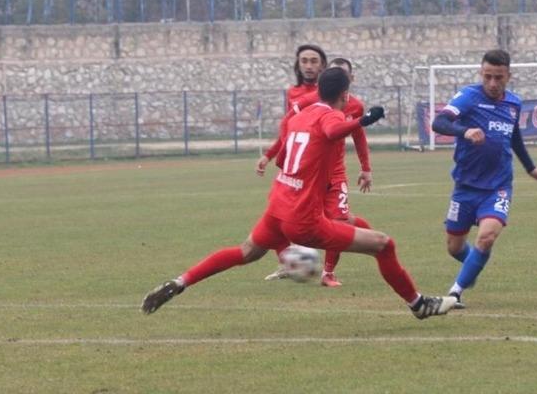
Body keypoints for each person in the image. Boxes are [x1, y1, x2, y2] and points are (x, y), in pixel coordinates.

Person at [142, 67, 456, 320]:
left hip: (277, 207)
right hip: (303, 219)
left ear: (318, 89)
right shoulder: (331, 115)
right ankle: (418, 304)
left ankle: (180, 282)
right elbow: (333, 131)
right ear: (345, 95)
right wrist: (363, 120)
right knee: (384, 245)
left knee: (245, 252)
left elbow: (283, 159)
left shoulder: (299, 116)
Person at [431, 49, 537, 309]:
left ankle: (455, 293)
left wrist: (531, 168)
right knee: (454, 247)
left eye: (499, 77)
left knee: (486, 237)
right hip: (465, 186)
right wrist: (464, 131)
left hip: (498, 186)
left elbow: (514, 137)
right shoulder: (468, 97)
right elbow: (439, 123)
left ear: (508, 75)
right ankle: (472, 267)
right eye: (488, 77)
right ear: (481, 73)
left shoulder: (514, 103)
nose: (493, 83)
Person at [258, 57, 373, 287]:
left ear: (350, 79)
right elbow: (287, 126)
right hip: (309, 174)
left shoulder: (356, 106)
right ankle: (291, 260)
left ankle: (328, 273)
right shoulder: (311, 101)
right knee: (294, 221)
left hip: (336, 173)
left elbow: (358, 136)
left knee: (338, 222)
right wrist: (272, 155)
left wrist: (366, 168)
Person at [255, 44, 327, 177]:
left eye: (314, 61)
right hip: (297, 162)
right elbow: (288, 131)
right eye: (304, 61)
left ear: (322, 65)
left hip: (323, 163)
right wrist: (268, 156)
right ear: (298, 65)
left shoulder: (329, 93)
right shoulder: (292, 93)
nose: (309, 66)